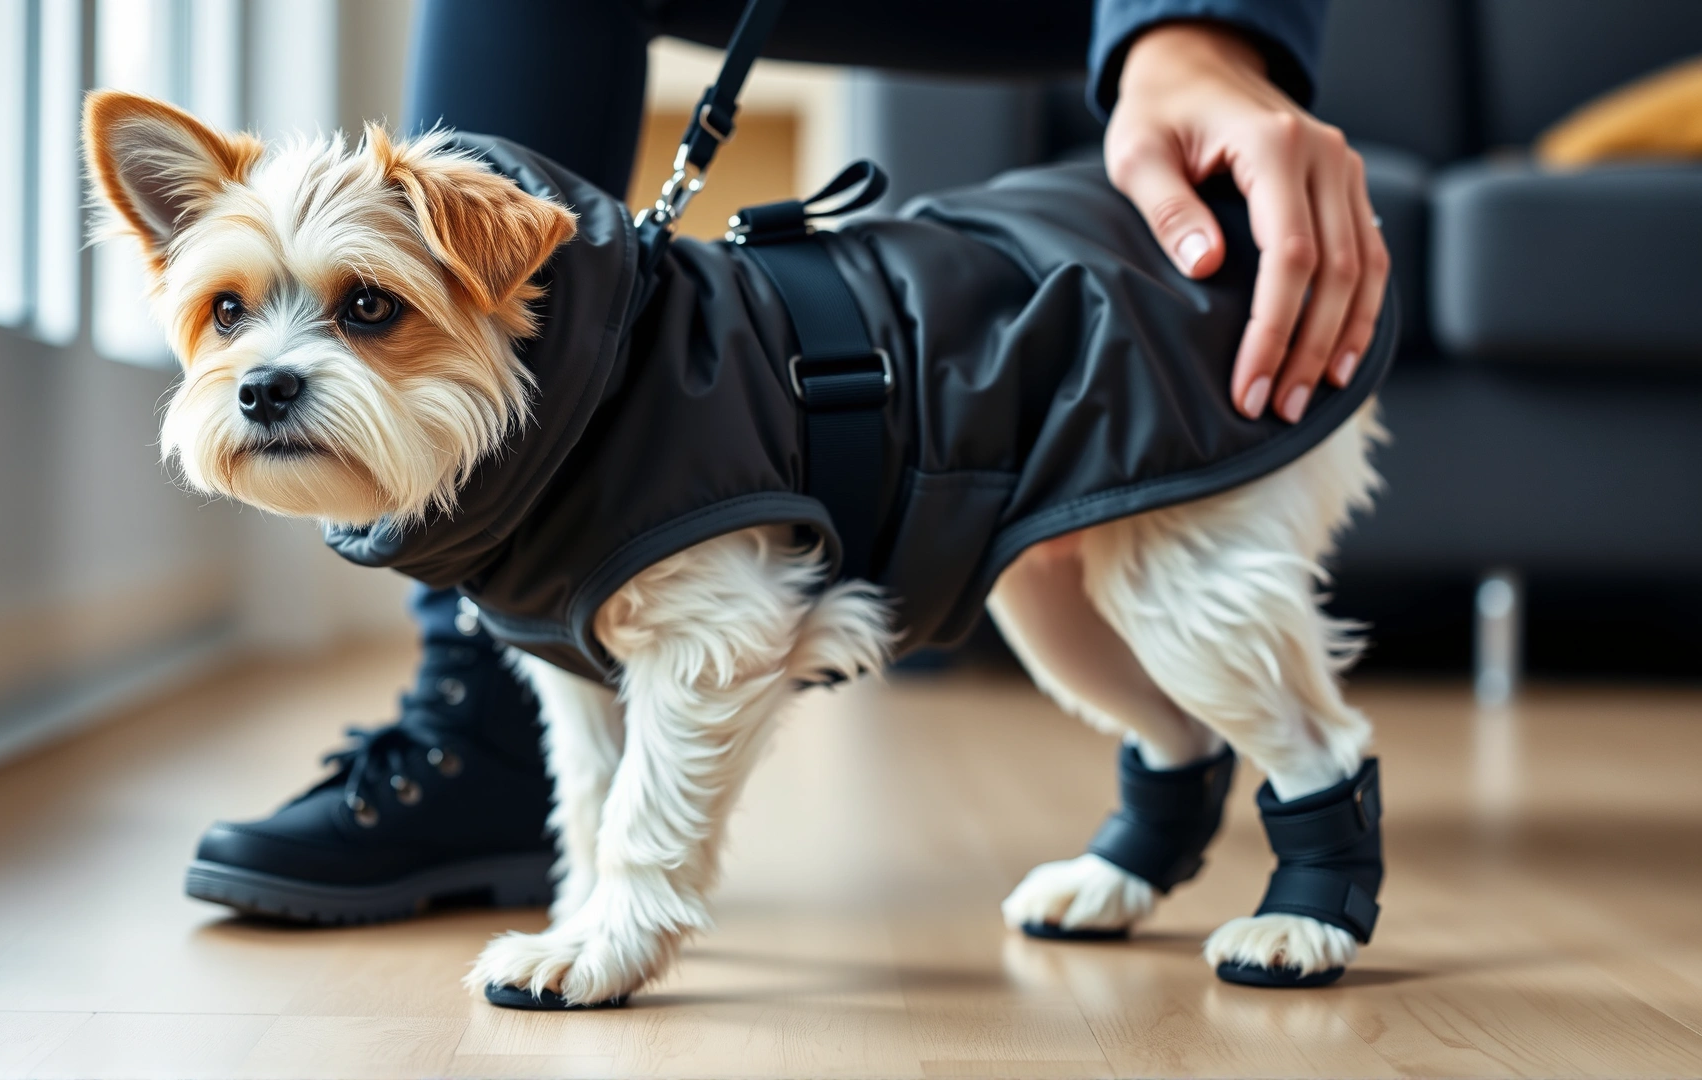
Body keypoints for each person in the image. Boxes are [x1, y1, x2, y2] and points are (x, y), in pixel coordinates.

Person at [186, 0, 1390, 924]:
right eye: (229, 317)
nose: (267, 366)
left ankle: (1323, 830)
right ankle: (1161, 818)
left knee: (1161, 594)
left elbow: (733, 636)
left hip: (1151, 326)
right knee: (1066, 603)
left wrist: (1200, 25)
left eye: (366, 311)